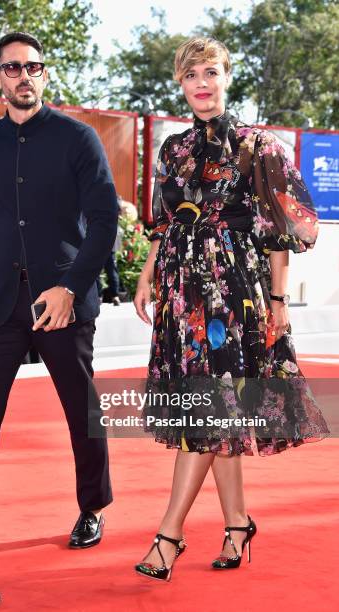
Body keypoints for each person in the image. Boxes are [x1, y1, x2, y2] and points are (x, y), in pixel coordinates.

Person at [133, 36, 329, 581]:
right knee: (217, 415)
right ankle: (237, 523)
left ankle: (169, 536)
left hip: (231, 295)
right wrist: (148, 277)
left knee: (207, 413)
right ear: (180, 82)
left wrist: (279, 301)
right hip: (180, 294)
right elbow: (165, 222)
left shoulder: (258, 146)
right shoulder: (174, 149)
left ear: (226, 77)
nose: (202, 83)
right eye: (191, 74)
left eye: (211, 72)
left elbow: (281, 232)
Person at [0, 31, 118, 570]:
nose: (23, 76)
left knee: (80, 411)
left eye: (33, 67)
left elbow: (105, 222)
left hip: (61, 301)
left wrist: (70, 288)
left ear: (45, 74)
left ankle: (92, 506)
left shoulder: (78, 139)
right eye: (12, 69)